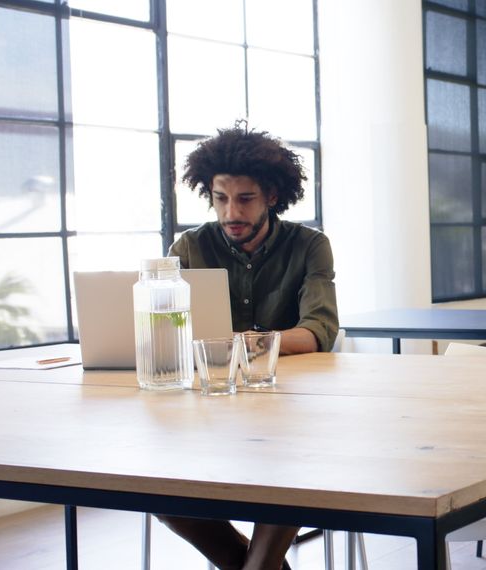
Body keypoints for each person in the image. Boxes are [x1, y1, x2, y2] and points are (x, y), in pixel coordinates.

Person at [158, 124, 338, 570]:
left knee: (289, 467)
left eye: (245, 199)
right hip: (209, 409)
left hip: (291, 411)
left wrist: (242, 343)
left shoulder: (309, 245)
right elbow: (169, 328)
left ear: (272, 196)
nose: (230, 211)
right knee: (155, 485)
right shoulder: (190, 247)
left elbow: (318, 330)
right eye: (221, 198)